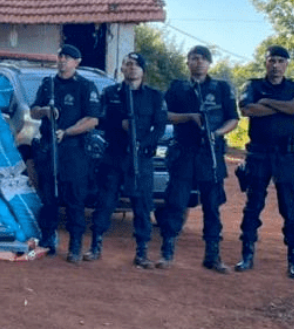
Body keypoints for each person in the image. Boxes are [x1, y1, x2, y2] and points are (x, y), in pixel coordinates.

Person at [156, 45, 238, 273]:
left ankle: (213, 256)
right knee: (175, 204)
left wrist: (216, 133)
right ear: (188, 63)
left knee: (212, 206)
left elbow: (233, 119)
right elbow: (164, 116)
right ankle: (167, 253)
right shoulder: (177, 88)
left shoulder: (221, 88)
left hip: (210, 154)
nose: (198, 62)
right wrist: (189, 117)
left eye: (203, 59)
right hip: (184, 152)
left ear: (209, 63)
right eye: (194, 58)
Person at [86, 52, 167, 268]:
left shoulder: (154, 96)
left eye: (136, 65)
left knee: (142, 205)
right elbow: (99, 121)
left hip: (141, 158)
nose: (131, 68)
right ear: (122, 69)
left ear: (143, 70)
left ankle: (142, 252)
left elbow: (160, 126)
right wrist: (118, 125)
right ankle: (95, 246)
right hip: (114, 156)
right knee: (105, 202)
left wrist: (144, 143)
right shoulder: (111, 93)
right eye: (127, 64)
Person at [235, 45, 294, 277]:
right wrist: (282, 106)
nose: (275, 65)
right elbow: (248, 110)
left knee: (289, 206)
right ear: (265, 62)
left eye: (280, 61)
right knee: (253, 204)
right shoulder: (253, 85)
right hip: (259, 153)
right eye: (271, 60)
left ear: (286, 64)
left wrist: (267, 101)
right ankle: (247, 254)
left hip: (286, 155)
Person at [28, 44, 102, 263]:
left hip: (74, 150)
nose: (62, 60)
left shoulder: (85, 86)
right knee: (49, 196)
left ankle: (75, 245)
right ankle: (48, 241)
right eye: (60, 56)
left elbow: (93, 119)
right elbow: (33, 110)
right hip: (50, 149)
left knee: (74, 198)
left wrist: (67, 132)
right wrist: (44, 111)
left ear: (76, 62)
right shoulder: (48, 84)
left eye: (68, 57)